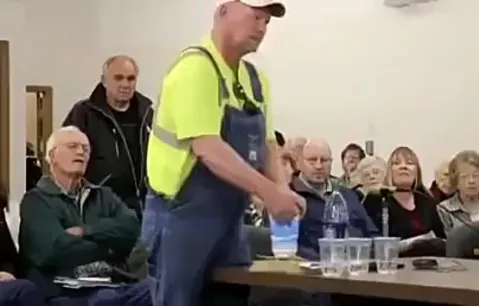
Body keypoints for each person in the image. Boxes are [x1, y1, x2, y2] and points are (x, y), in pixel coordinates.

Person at [142, 1, 305, 305]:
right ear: (223, 12)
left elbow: (268, 143)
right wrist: (270, 193)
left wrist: (283, 189)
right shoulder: (194, 69)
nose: (261, 27)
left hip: (229, 224)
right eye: (255, 16)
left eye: (267, 21)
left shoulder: (255, 81)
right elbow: (209, 149)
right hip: (179, 220)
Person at [19, 126, 149, 306]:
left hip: (114, 283)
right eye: (73, 146)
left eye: (85, 148)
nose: (81, 152)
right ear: (52, 156)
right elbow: (52, 250)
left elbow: (132, 227)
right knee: (107, 301)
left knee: (161, 289)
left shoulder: (104, 195)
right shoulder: (36, 200)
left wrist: (85, 231)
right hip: (65, 290)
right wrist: (112, 248)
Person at [63, 55, 153, 219]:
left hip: (142, 207)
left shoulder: (147, 114)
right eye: (118, 78)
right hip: (99, 208)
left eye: (130, 79)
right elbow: (65, 159)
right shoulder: (83, 114)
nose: (125, 84)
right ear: (104, 81)